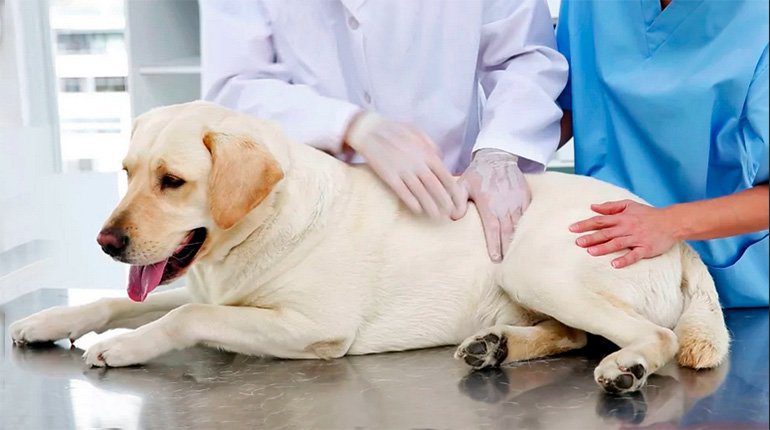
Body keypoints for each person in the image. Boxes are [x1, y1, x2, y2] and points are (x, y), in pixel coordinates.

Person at [200, 0, 567, 263]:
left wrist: (498, 151)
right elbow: (234, 85)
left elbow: (527, 57)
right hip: (308, 216)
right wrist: (347, 124)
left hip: (450, 202)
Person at [557, 0, 769, 307]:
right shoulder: (590, 6)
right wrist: (497, 158)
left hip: (727, 287)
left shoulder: (758, 20)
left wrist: (668, 223)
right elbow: (564, 104)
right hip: (607, 268)